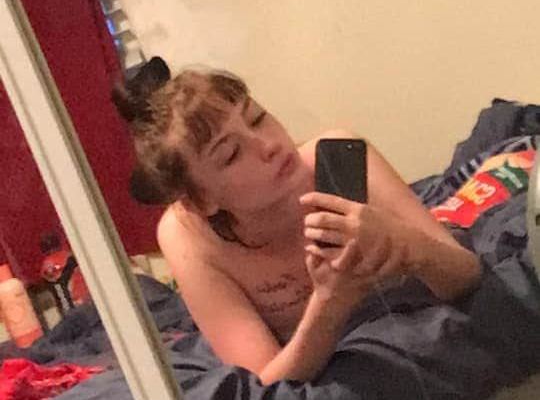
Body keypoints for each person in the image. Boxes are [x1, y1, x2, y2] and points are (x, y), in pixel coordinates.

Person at [112, 57, 481, 386]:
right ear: (202, 200)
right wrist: (329, 302)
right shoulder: (187, 235)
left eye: (257, 119)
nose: (268, 145)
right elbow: (264, 383)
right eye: (232, 154)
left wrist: (405, 245)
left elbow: (466, 273)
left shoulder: (336, 156)